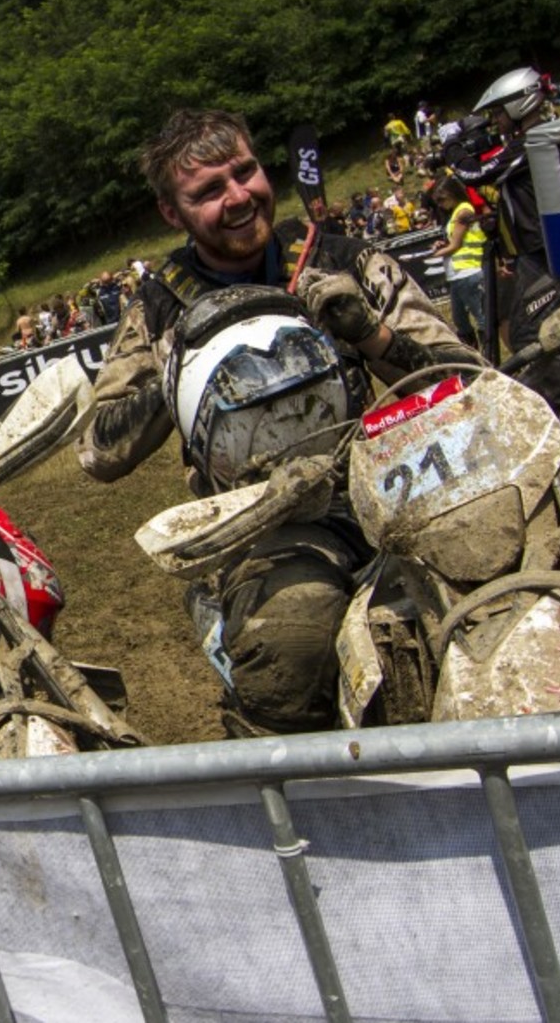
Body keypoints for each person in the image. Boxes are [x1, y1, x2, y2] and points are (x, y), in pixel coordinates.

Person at [78, 108, 480, 736]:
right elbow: (97, 452)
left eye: (245, 172)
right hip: (266, 527)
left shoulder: (344, 259)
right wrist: (177, 368)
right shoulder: (159, 303)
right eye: (208, 191)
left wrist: (370, 334)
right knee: (295, 647)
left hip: (402, 485)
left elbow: (476, 384)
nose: (238, 198)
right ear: (171, 212)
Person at [458, 67, 560, 419]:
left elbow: (476, 173)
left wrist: (451, 148)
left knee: (534, 331)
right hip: (535, 248)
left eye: (497, 112)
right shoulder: (526, 142)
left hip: (545, 249)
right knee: (559, 323)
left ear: (520, 105)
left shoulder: (534, 139)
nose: (494, 120)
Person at [427, 176, 489, 350]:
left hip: (468, 270)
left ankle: (489, 353)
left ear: (453, 193)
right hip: (458, 273)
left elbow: (456, 245)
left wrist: (435, 253)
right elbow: (454, 241)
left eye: (442, 199)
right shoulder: (456, 212)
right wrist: (442, 245)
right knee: (460, 320)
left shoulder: (463, 211)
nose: (440, 204)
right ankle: (474, 353)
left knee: (481, 317)